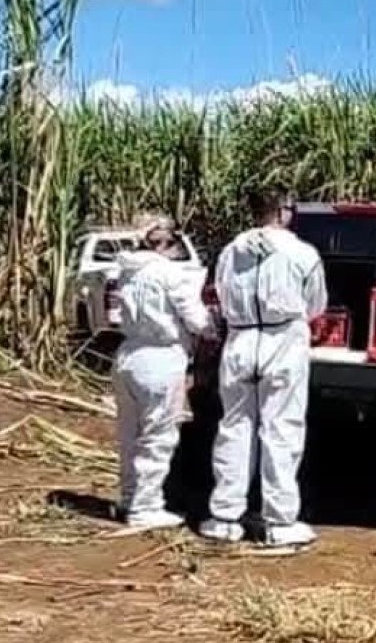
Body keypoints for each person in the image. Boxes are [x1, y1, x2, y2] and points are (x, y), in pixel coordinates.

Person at [200, 188, 327, 549]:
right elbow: (316, 303)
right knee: (281, 430)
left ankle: (224, 517)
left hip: (240, 341)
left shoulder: (230, 251)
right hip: (283, 339)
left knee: (234, 428)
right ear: (284, 211)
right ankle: (279, 520)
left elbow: (220, 295)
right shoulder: (302, 252)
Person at [113, 219, 217, 530]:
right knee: (158, 435)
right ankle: (146, 506)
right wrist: (212, 330)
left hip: (128, 354)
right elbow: (196, 319)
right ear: (161, 244)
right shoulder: (170, 274)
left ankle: (130, 498)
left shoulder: (126, 271)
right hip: (161, 357)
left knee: (129, 435)